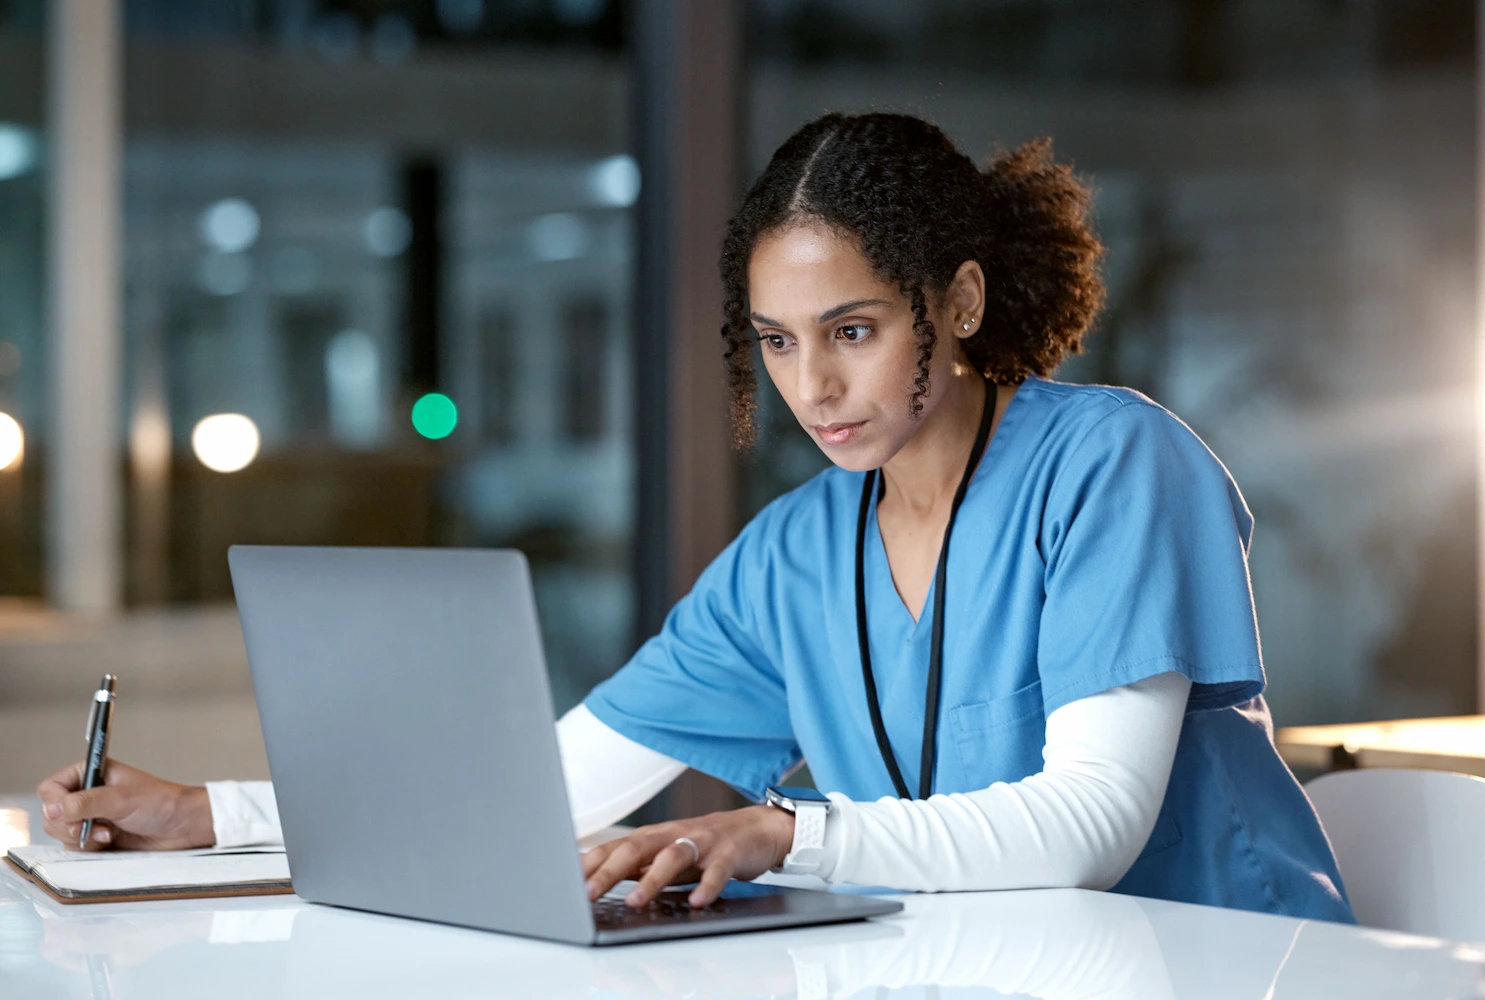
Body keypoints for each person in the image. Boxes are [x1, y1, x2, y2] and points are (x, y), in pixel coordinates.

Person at [35, 112, 1354, 922]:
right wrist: (215, 816)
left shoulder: (1115, 464)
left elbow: (1090, 827)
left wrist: (788, 832)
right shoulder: (794, 556)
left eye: (852, 330)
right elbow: (538, 790)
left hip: (1223, 970)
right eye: (777, 341)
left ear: (956, 304)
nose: (811, 386)